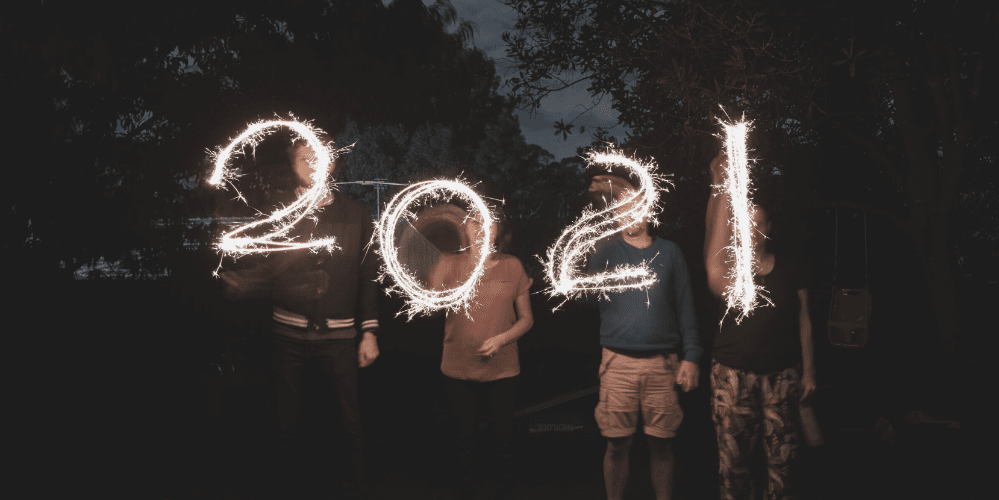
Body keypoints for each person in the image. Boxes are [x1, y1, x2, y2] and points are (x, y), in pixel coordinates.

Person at [224, 137, 380, 499]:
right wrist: (251, 281)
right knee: (284, 422)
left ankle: (353, 489)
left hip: (340, 337)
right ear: (292, 163)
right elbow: (267, 263)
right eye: (302, 157)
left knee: (348, 421)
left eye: (318, 157)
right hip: (288, 335)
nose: (311, 162)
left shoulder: (355, 214)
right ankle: (284, 489)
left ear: (332, 164)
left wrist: (369, 331)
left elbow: (367, 273)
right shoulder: (275, 210)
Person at [704, 149, 817, 500]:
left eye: (760, 223)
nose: (752, 229)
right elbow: (712, 232)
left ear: (769, 229)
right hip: (732, 376)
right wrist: (719, 185)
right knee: (734, 466)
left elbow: (804, 320)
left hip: (782, 377)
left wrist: (809, 372)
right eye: (745, 223)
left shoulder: (790, 268)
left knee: (783, 465)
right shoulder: (730, 272)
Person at [585, 167, 702, 500]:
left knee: (662, 445)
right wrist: (580, 274)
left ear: (650, 210)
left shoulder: (670, 253)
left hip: (662, 364)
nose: (631, 214)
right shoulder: (606, 251)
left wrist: (692, 356)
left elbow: (686, 307)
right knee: (617, 444)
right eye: (623, 208)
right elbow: (587, 300)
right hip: (617, 364)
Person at [427, 203, 534, 500]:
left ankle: (504, 490)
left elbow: (527, 319)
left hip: (503, 368)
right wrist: (432, 288)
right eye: (474, 221)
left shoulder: (512, 265)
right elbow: (431, 307)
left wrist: (501, 339)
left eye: (489, 222)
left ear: (499, 230)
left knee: (502, 437)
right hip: (457, 368)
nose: (481, 227)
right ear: (466, 228)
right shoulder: (449, 263)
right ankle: (467, 491)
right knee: (464, 436)